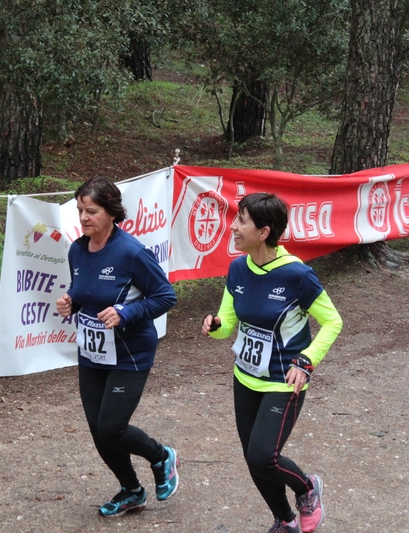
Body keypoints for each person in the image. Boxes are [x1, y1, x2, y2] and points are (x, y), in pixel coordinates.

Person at [201, 193, 342, 533]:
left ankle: (307, 487)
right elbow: (228, 321)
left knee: (264, 456)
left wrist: (306, 360)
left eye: (241, 221)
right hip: (246, 377)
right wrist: (216, 325)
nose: (232, 226)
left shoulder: (297, 275)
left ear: (263, 232)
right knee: (255, 459)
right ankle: (285, 520)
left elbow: (333, 321)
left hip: (284, 379)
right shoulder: (238, 268)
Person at [56, 176, 179, 517]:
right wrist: (71, 303)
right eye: (80, 210)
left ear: (111, 212)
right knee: (99, 430)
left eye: (91, 211)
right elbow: (85, 291)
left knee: (112, 427)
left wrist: (126, 313)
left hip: (130, 352)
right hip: (93, 352)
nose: (83, 218)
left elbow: (166, 296)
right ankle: (131, 490)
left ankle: (161, 456)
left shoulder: (131, 253)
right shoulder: (77, 249)